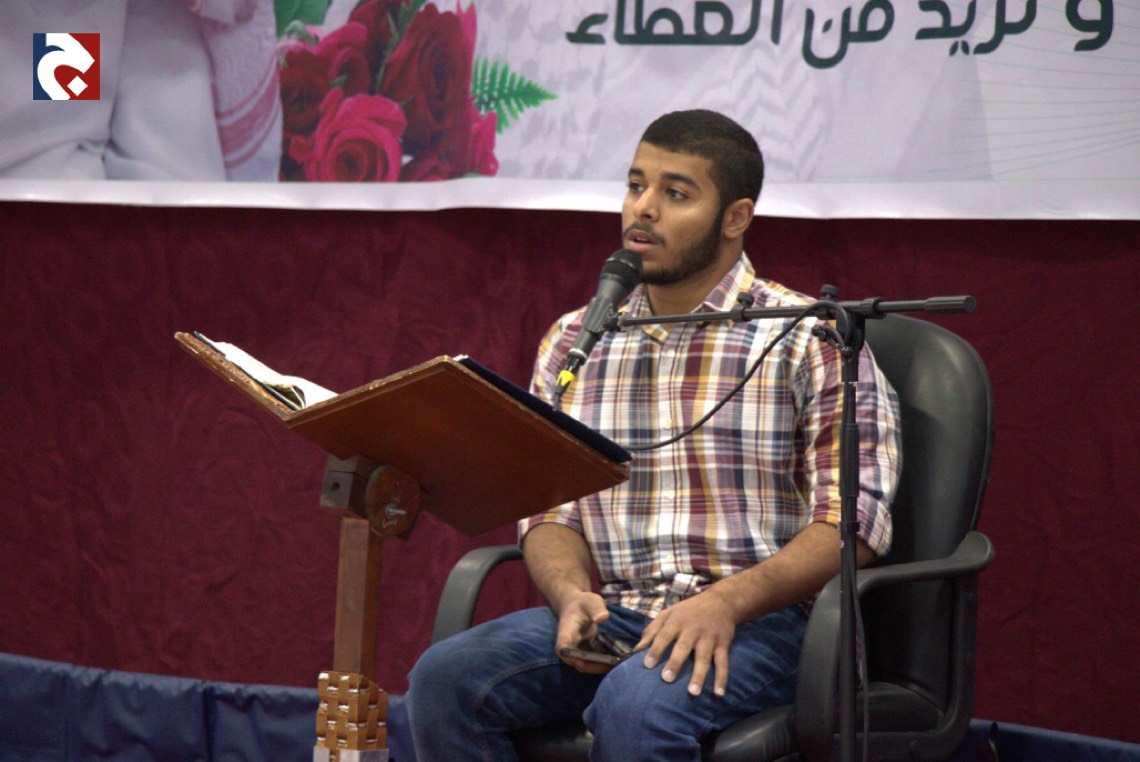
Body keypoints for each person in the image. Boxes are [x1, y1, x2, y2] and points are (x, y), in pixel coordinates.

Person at [399, 109, 901, 761]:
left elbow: (851, 526)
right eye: (636, 186)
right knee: (444, 681)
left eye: (676, 193)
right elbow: (550, 511)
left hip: (771, 625)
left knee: (636, 704)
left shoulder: (809, 339)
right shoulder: (576, 341)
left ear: (735, 217)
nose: (643, 209)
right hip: (623, 612)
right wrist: (569, 594)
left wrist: (725, 603)